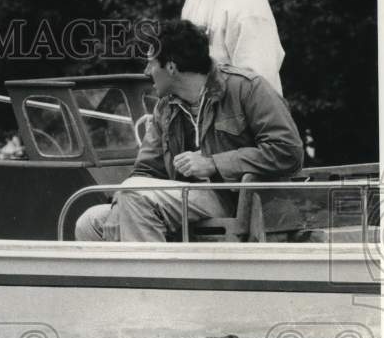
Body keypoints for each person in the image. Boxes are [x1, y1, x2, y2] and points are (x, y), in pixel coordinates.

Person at [75, 20, 303, 242]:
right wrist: (119, 206)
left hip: (238, 198)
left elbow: (288, 151)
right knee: (90, 222)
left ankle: (154, 279)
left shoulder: (247, 88)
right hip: (184, 201)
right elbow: (146, 172)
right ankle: (136, 276)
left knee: (133, 195)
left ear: (171, 67)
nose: (146, 71)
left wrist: (214, 163)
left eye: (151, 63)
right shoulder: (165, 107)